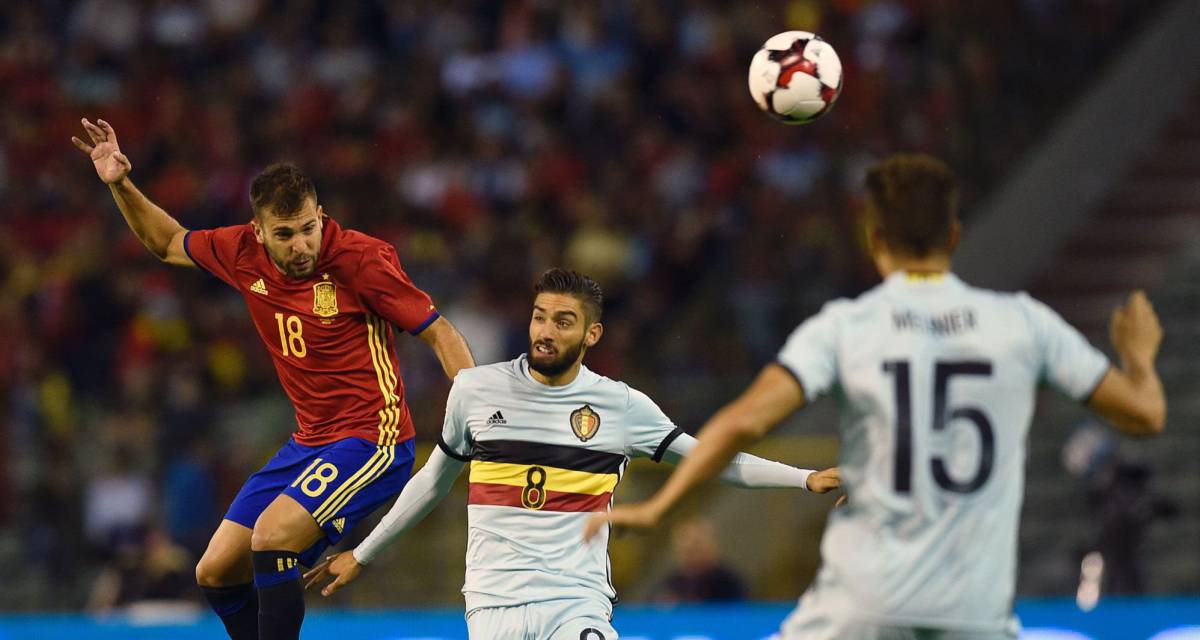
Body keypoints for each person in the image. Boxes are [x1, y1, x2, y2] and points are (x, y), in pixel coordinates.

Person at [587, 154, 1167, 639]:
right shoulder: (1024, 324)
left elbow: (741, 422)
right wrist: (1138, 356)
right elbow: (1145, 414)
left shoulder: (845, 327)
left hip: (863, 607)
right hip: (974, 610)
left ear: (875, 238)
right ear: (955, 234)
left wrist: (662, 507)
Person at [71, 118, 475, 640]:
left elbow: (440, 333)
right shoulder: (240, 251)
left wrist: (476, 406)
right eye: (285, 234)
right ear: (259, 232)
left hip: (372, 438)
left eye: (309, 228)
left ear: (321, 215)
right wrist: (120, 184)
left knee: (272, 535)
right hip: (308, 444)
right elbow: (168, 242)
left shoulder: (361, 260)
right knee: (215, 572)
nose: (302, 244)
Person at [303, 268, 841, 639]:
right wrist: (363, 552)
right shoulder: (475, 389)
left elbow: (710, 459)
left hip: (575, 600)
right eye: (540, 317)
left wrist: (805, 479)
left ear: (592, 333)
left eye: (563, 322)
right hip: (493, 602)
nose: (546, 331)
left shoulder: (620, 405)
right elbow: (432, 481)